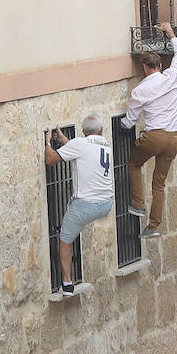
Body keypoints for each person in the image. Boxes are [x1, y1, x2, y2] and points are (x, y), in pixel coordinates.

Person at [122, 21, 177, 239]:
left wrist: (123, 126)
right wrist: (170, 33)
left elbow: (131, 119)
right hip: (174, 138)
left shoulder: (141, 90)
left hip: (155, 136)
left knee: (134, 163)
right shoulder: (171, 77)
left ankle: (138, 205)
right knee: (159, 182)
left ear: (145, 68)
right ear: (159, 66)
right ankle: (154, 226)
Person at [44, 115, 114, 296]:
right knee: (73, 224)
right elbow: (81, 150)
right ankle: (70, 226)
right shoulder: (105, 144)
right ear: (101, 131)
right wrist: (65, 140)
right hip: (106, 203)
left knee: (65, 239)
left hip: (85, 206)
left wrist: (48, 143)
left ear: (83, 132)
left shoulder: (80, 144)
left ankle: (67, 284)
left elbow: (51, 160)